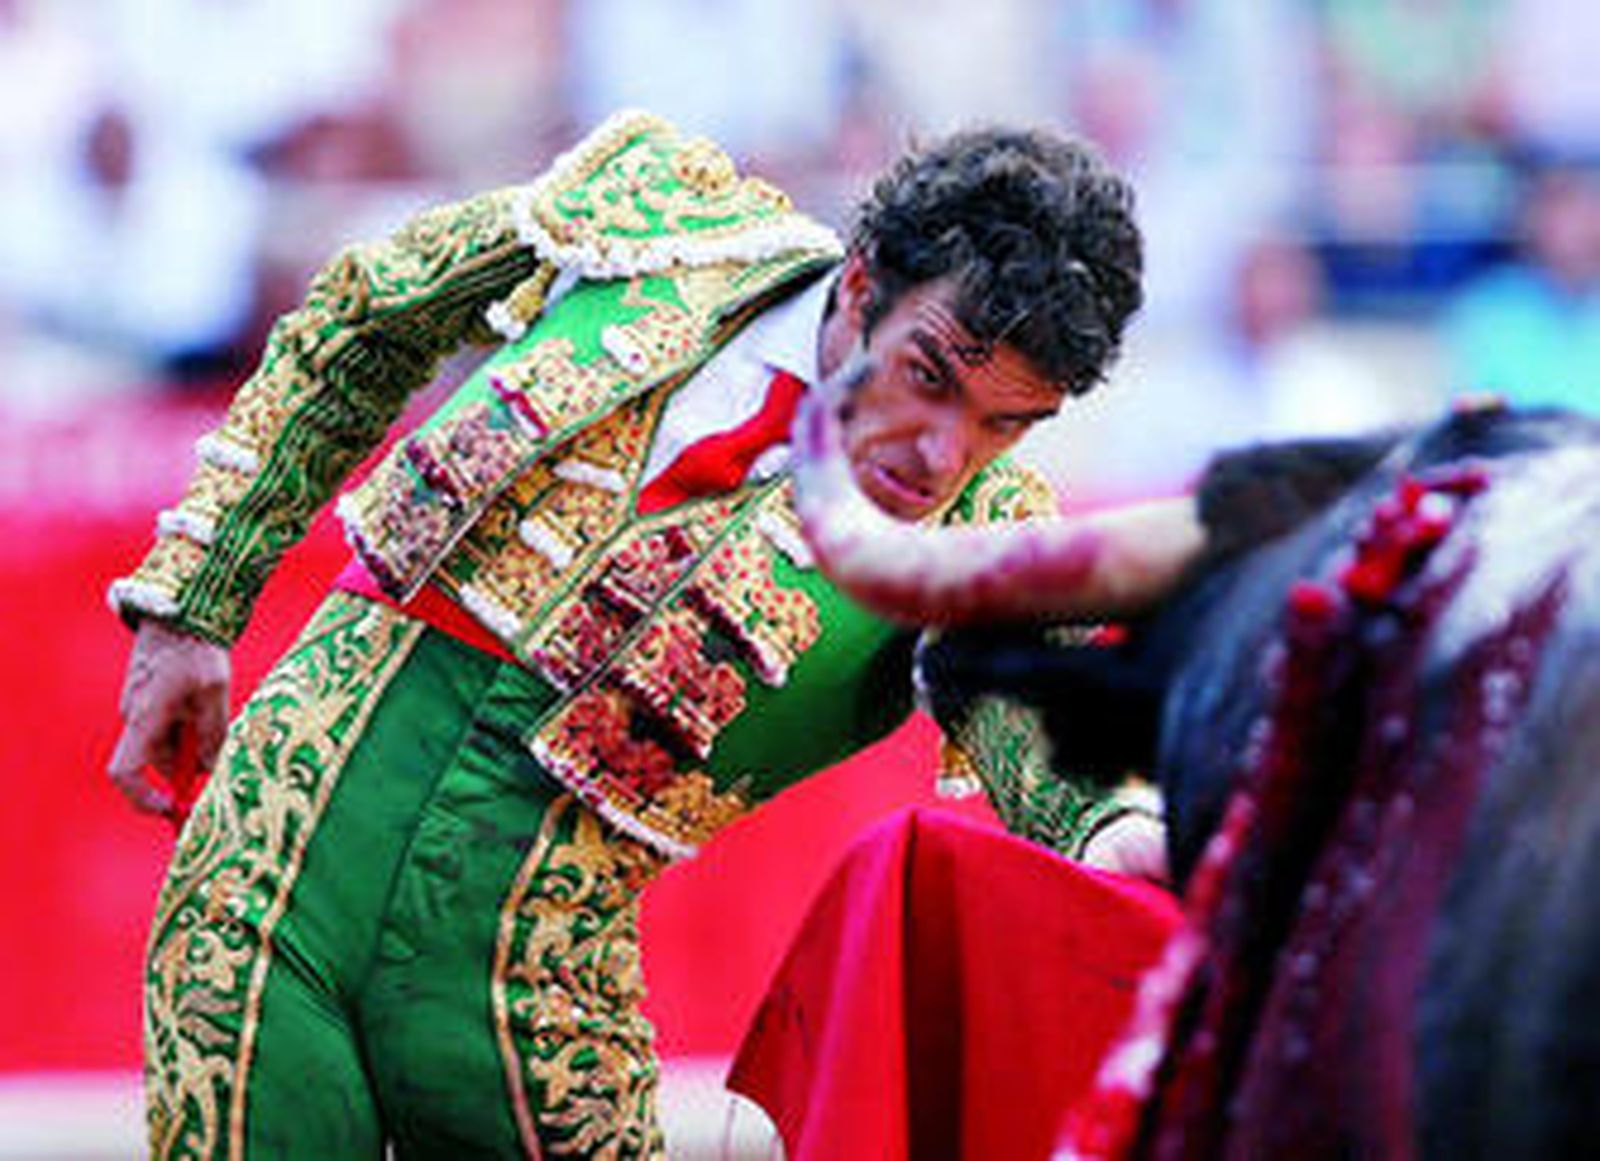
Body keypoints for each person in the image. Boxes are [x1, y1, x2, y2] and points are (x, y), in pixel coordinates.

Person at [106, 109, 1145, 1158]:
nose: (942, 454)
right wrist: (191, 605)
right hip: (270, 873)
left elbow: (1054, 737)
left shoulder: (984, 540)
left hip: (528, 1006)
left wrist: (1119, 834)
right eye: (930, 376)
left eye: (1003, 423)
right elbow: (371, 314)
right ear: (865, 285)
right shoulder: (656, 224)